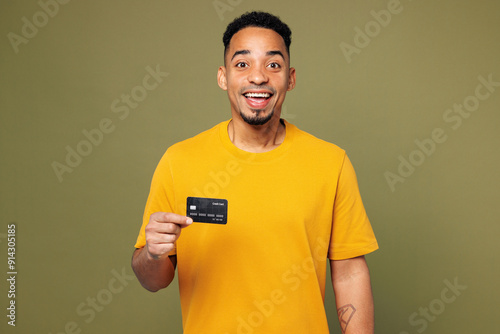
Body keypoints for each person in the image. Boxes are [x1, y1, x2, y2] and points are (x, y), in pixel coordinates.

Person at [131, 11, 378, 334]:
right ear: (223, 77)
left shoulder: (331, 162)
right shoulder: (179, 161)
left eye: (272, 65)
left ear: (290, 78)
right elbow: (152, 280)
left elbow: (349, 273)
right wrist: (151, 253)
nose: (258, 77)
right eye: (242, 64)